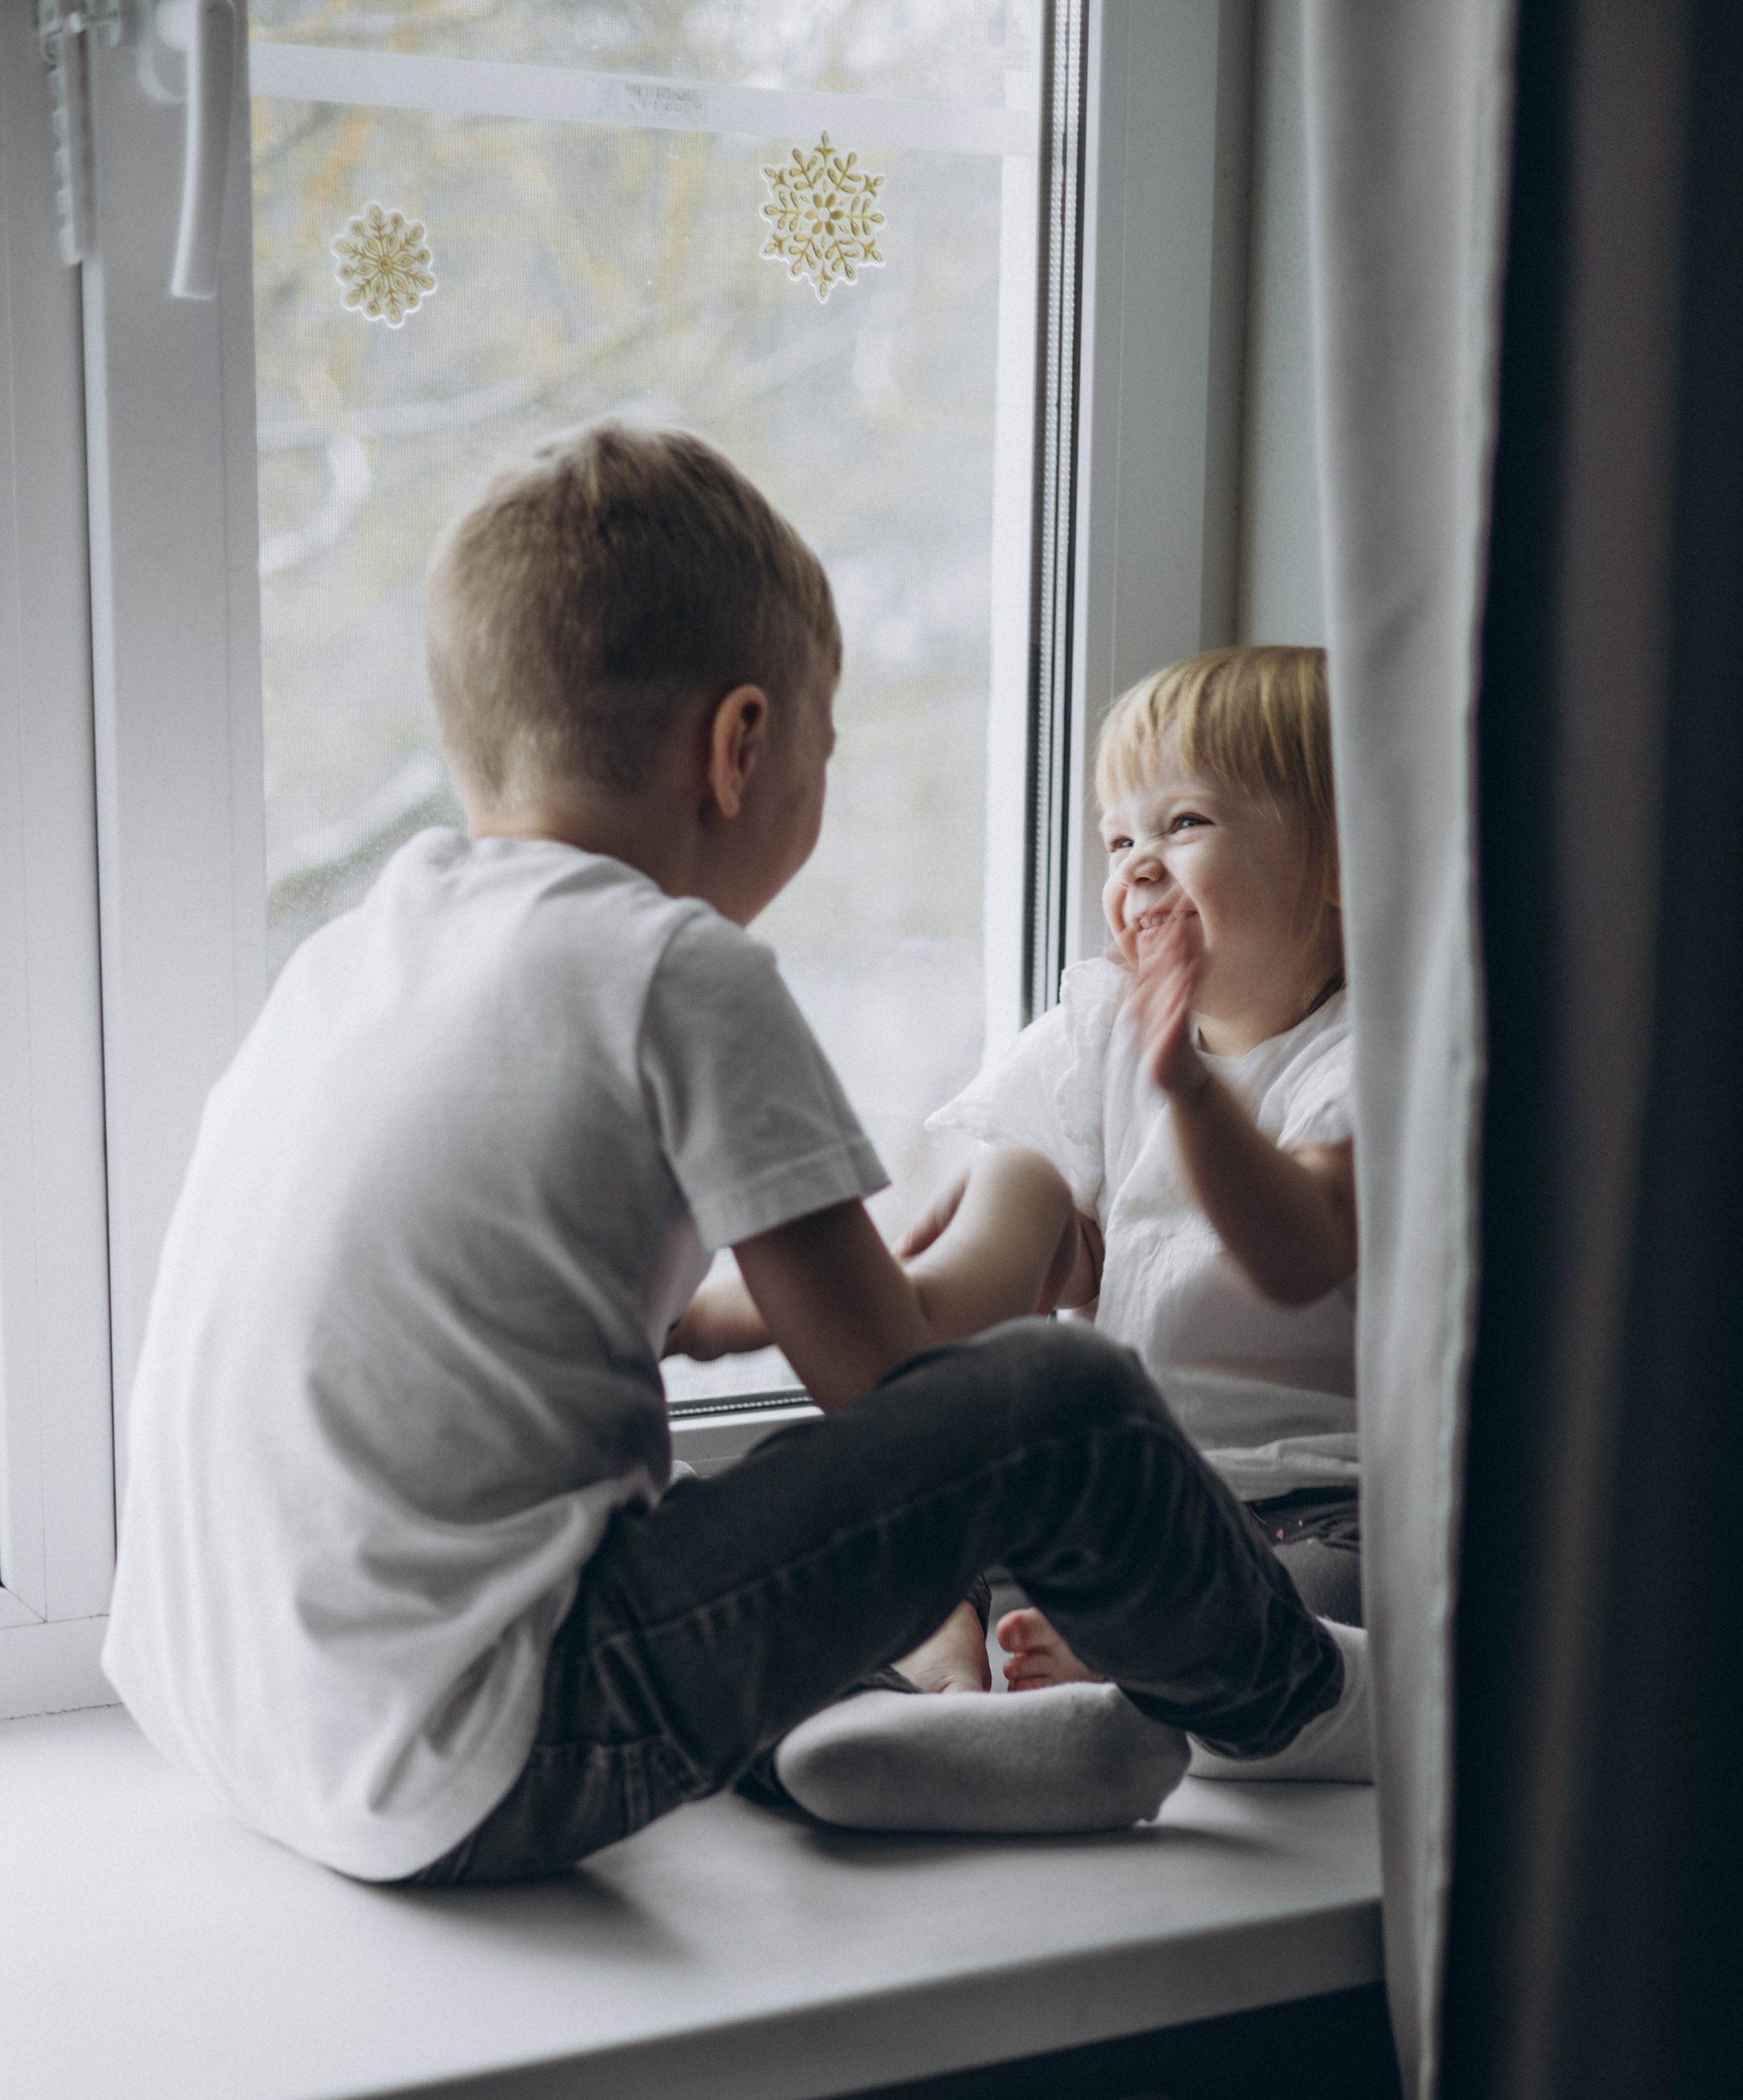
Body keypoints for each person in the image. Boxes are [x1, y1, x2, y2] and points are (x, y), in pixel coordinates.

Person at [99, 423, 1362, 1882]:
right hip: (482, 1751)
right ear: (742, 744)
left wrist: (729, 1313)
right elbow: (901, 1385)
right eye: (822, 751)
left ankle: (883, 1728)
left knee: (760, 1499)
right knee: (1072, 1400)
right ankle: (1313, 1702)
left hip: (238, 1715)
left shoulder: (349, 959)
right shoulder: (674, 964)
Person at [680, 646, 1372, 1798]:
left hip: (1306, 1511)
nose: (1139, 865)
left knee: (1333, 1594)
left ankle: (1108, 1684)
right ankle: (960, 1700)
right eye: (1117, 838)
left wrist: (1188, 1089)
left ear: (1345, 857)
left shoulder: (1362, 1057)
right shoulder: (1096, 1034)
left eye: (1185, 821)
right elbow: (941, 1278)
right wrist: (714, 1313)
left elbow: (1295, 1245)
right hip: (1128, 1503)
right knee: (945, 1490)